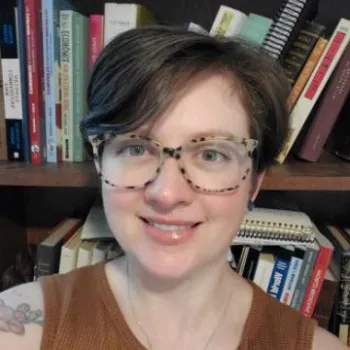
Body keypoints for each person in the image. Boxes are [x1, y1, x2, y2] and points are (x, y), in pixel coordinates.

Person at [0, 25, 346, 350]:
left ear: (255, 181)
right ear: (99, 161)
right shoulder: (17, 328)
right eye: (135, 148)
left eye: (211, 154)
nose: (166, 194)